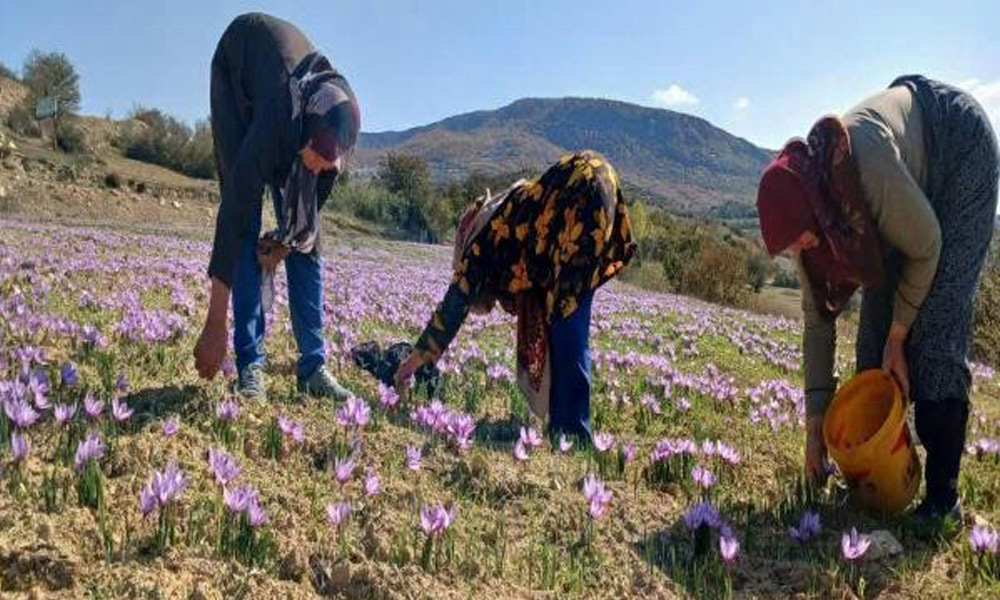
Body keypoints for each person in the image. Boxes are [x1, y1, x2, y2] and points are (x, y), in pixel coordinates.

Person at [756, 75, 998, 519]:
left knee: (934, 330)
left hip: (959, 149)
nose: (802, 250)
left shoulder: (862, 168)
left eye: (803, 240)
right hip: (898, 197)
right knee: (870, 351)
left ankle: (943, 497)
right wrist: (815, 428)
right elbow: (818, 325)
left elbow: (926, 246)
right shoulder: (820, 217)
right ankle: (878, 483)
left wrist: (899, 337)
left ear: (816, 211)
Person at [394, 151, 636, 444]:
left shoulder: (483, 240)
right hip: (598, 181)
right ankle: (566, 428)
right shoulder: (506, 211)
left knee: (566, 317)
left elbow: (455, 303)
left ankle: (572, 432)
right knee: (569, 310)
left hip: (582, 192)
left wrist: (414, 361)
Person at [193, 13, 361, 402]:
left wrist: (285, 243)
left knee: (307, 241)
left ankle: (314, 367)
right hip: (238, 73)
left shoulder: (335, 128)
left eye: (329, 163)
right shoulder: (276, 124)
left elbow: (307, 226)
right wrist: (215, 323)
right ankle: (251, 364)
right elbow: (233, 215)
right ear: (305, 132)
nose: (321, 167)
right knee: (247, 223)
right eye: (317, 157)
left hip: (289, 107)